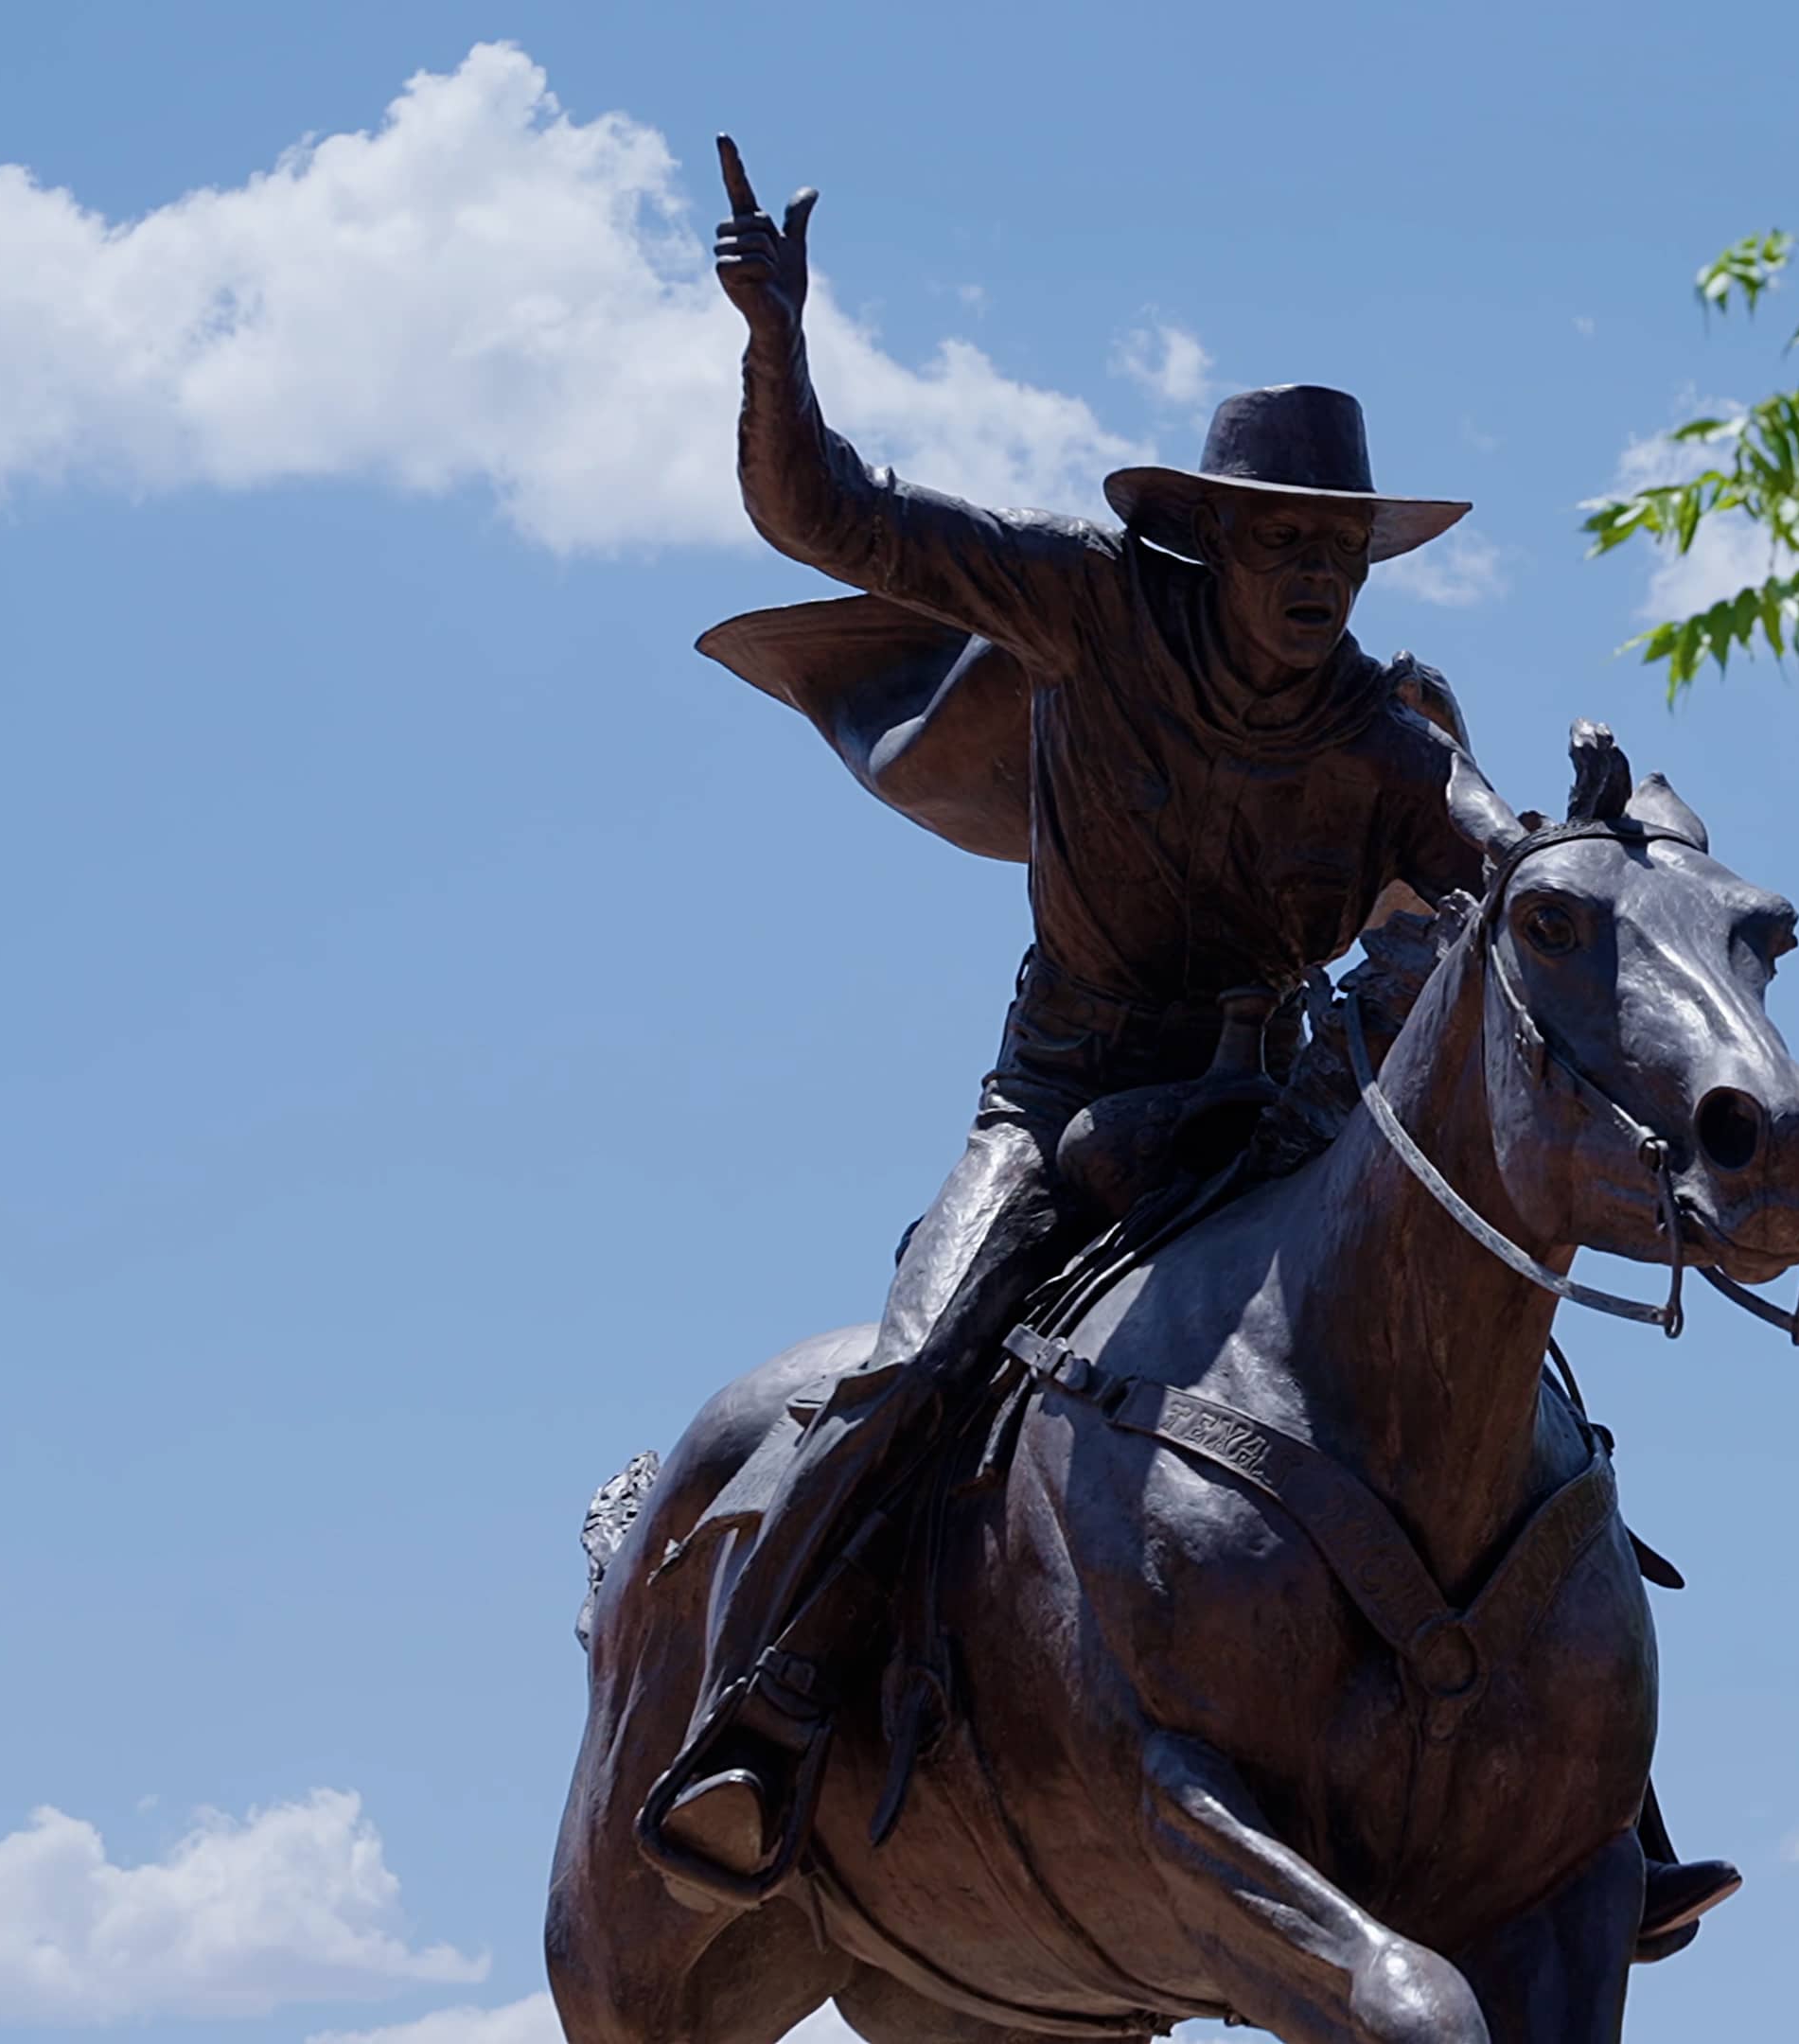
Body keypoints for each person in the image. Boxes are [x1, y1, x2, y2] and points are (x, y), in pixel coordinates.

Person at [647, 139, 1739, 1957]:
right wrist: (777, 345)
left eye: (1346, 549)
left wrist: (1588, 870)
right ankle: (759, 1720)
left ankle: (1593, 1811)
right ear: (1215, 540)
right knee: (919, 1364)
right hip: (1070, 1095)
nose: (1321, 576)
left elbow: (1500, 884)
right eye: (1290, 543)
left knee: (1505, 1387)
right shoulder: (1087, 602)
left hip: (1287, 1109)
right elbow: (825, 517)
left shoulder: (1388, 740)